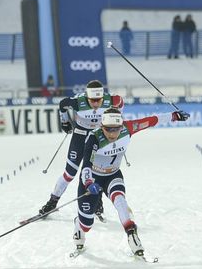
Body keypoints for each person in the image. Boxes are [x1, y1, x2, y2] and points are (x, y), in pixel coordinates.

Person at [71, 107, 190, 257]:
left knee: (120, 201)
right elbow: (86, 165)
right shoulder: (94, 138)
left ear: (122, 126)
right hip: (92, 179)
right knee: (86, 224)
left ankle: (131, 233)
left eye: (116, 129)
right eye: (108, 129)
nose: (113, 134)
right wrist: (88, 183)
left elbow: (151, 121)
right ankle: (79, 224)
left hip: (112, 175)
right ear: (102, 127)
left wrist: (174, 116)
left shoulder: (129, 128)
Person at [38, 80, 124, 220]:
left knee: (98, 171)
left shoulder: (112, 100)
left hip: (99, 139)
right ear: (87, 97)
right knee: (69, 173)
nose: (96, 104)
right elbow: (62, 104)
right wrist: (64, 121)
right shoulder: (78, 101)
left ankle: (97, 202)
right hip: (80, 137)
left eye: (99, 100)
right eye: (92, 100)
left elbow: (120, 105)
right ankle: (52, 202)